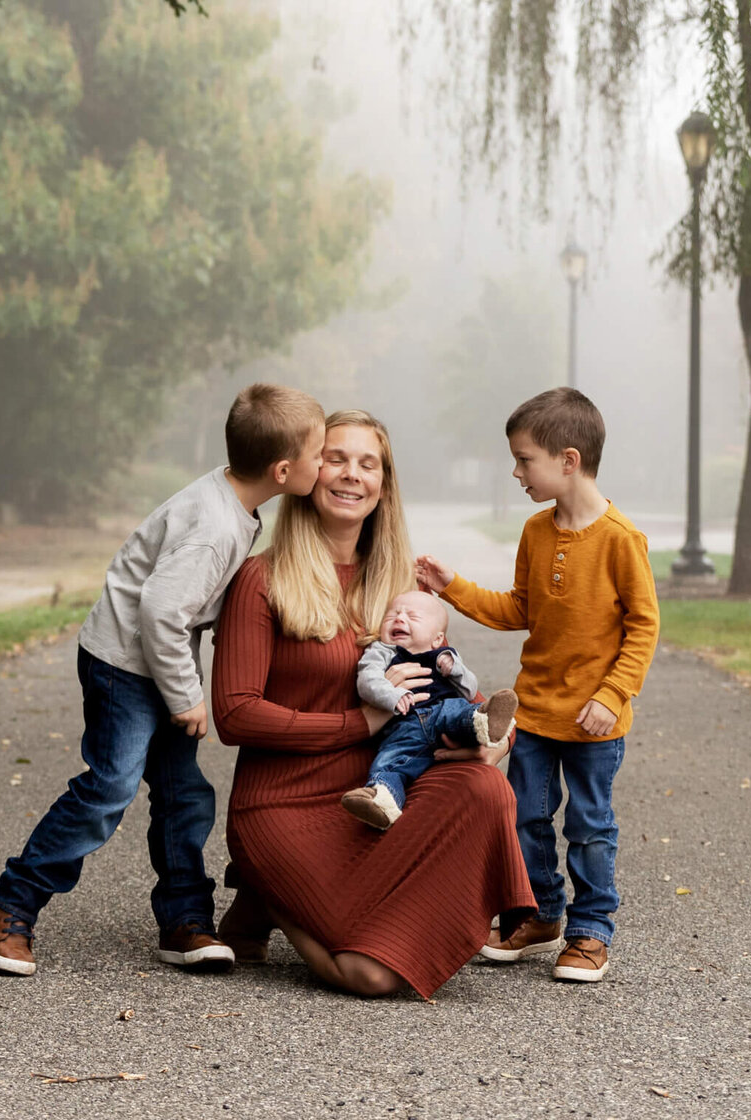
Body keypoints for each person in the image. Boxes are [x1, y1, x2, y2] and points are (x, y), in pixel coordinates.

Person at [0, 383, 326, 976]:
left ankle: (185, 921)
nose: (324, 465)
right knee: (110, 786)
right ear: (284, 469)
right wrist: (187, 697)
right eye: (320, 455)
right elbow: (162, 611)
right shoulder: (216, 526)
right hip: (124, 665)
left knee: (185, 794)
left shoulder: (233, 501)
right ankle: (10, 902)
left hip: (151, 661)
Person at [211, 409, 536, 999]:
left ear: (383, 485)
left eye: (369, 463)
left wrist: (494, 741)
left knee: (484, 787)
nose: (351, 474)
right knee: (371, 974)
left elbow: (461, 690)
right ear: (308, 471)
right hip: (284, 804)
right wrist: (358, 721)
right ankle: (269, 893)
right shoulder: (262, 578)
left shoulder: (400, 588)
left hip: (381, 797)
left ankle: (275, 899)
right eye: (335, 457)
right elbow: (234, 715)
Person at [417, 387, 659, 983]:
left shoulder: (621, 540)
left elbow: (644, 627)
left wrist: (611, 695)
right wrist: (452, 586)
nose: (517, 471)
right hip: (537, 711)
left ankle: (590, 931)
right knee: (526, 814)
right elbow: (516, 608)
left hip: (594, 722)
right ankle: (543, 914)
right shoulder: (535, 531)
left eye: (525, 460)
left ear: (568, 461)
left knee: (589, 825)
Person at [339, 590, 518, 830]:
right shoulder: (380, 651)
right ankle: (382, 799)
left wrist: (454, 668)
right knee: (390, 762)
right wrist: (392, 694)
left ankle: (485, 722)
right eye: (392, 615)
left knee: (461, 711)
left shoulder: (444, 656)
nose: (400, 619)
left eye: (412, 616)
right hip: (404, 728)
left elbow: (469, 690)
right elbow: (367, 681)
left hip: (443, 715)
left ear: (437, 638)